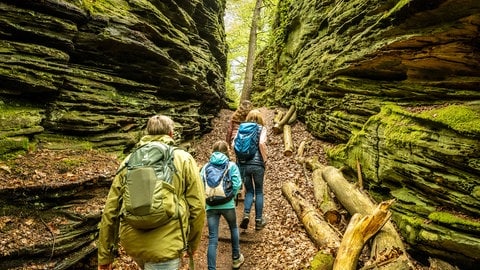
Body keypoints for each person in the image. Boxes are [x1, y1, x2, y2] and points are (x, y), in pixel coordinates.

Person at [97, 115, 206, 270]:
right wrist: (192, 244)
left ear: (146, 133)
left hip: (133, 244)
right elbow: (198, 206)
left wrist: (105, 255)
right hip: (167, 244)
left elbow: (111, 209)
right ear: (171, 134)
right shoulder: (183, 158)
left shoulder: (129, 160)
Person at [200, 140, 245, 269]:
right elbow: (237, 184)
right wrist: (231, 195)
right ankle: (236, 258)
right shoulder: (231, 165)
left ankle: (211, 267)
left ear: (212, 151)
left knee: (213, 237)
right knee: (233, 228)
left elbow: (200, 183)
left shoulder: (205, 167)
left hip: (211, 205)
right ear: (227, 152)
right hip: (228, 204)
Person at [235, 109, 268, 231]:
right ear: (260, 119)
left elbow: (234, 145)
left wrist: (240, 160)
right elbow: (261, 143)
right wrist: (264, 159)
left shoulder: (241, 128)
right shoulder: (261, 128)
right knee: (259, 191)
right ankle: (258, 221)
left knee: (249, 191)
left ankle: (246, 215)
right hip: (257, 164)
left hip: (243, 164)